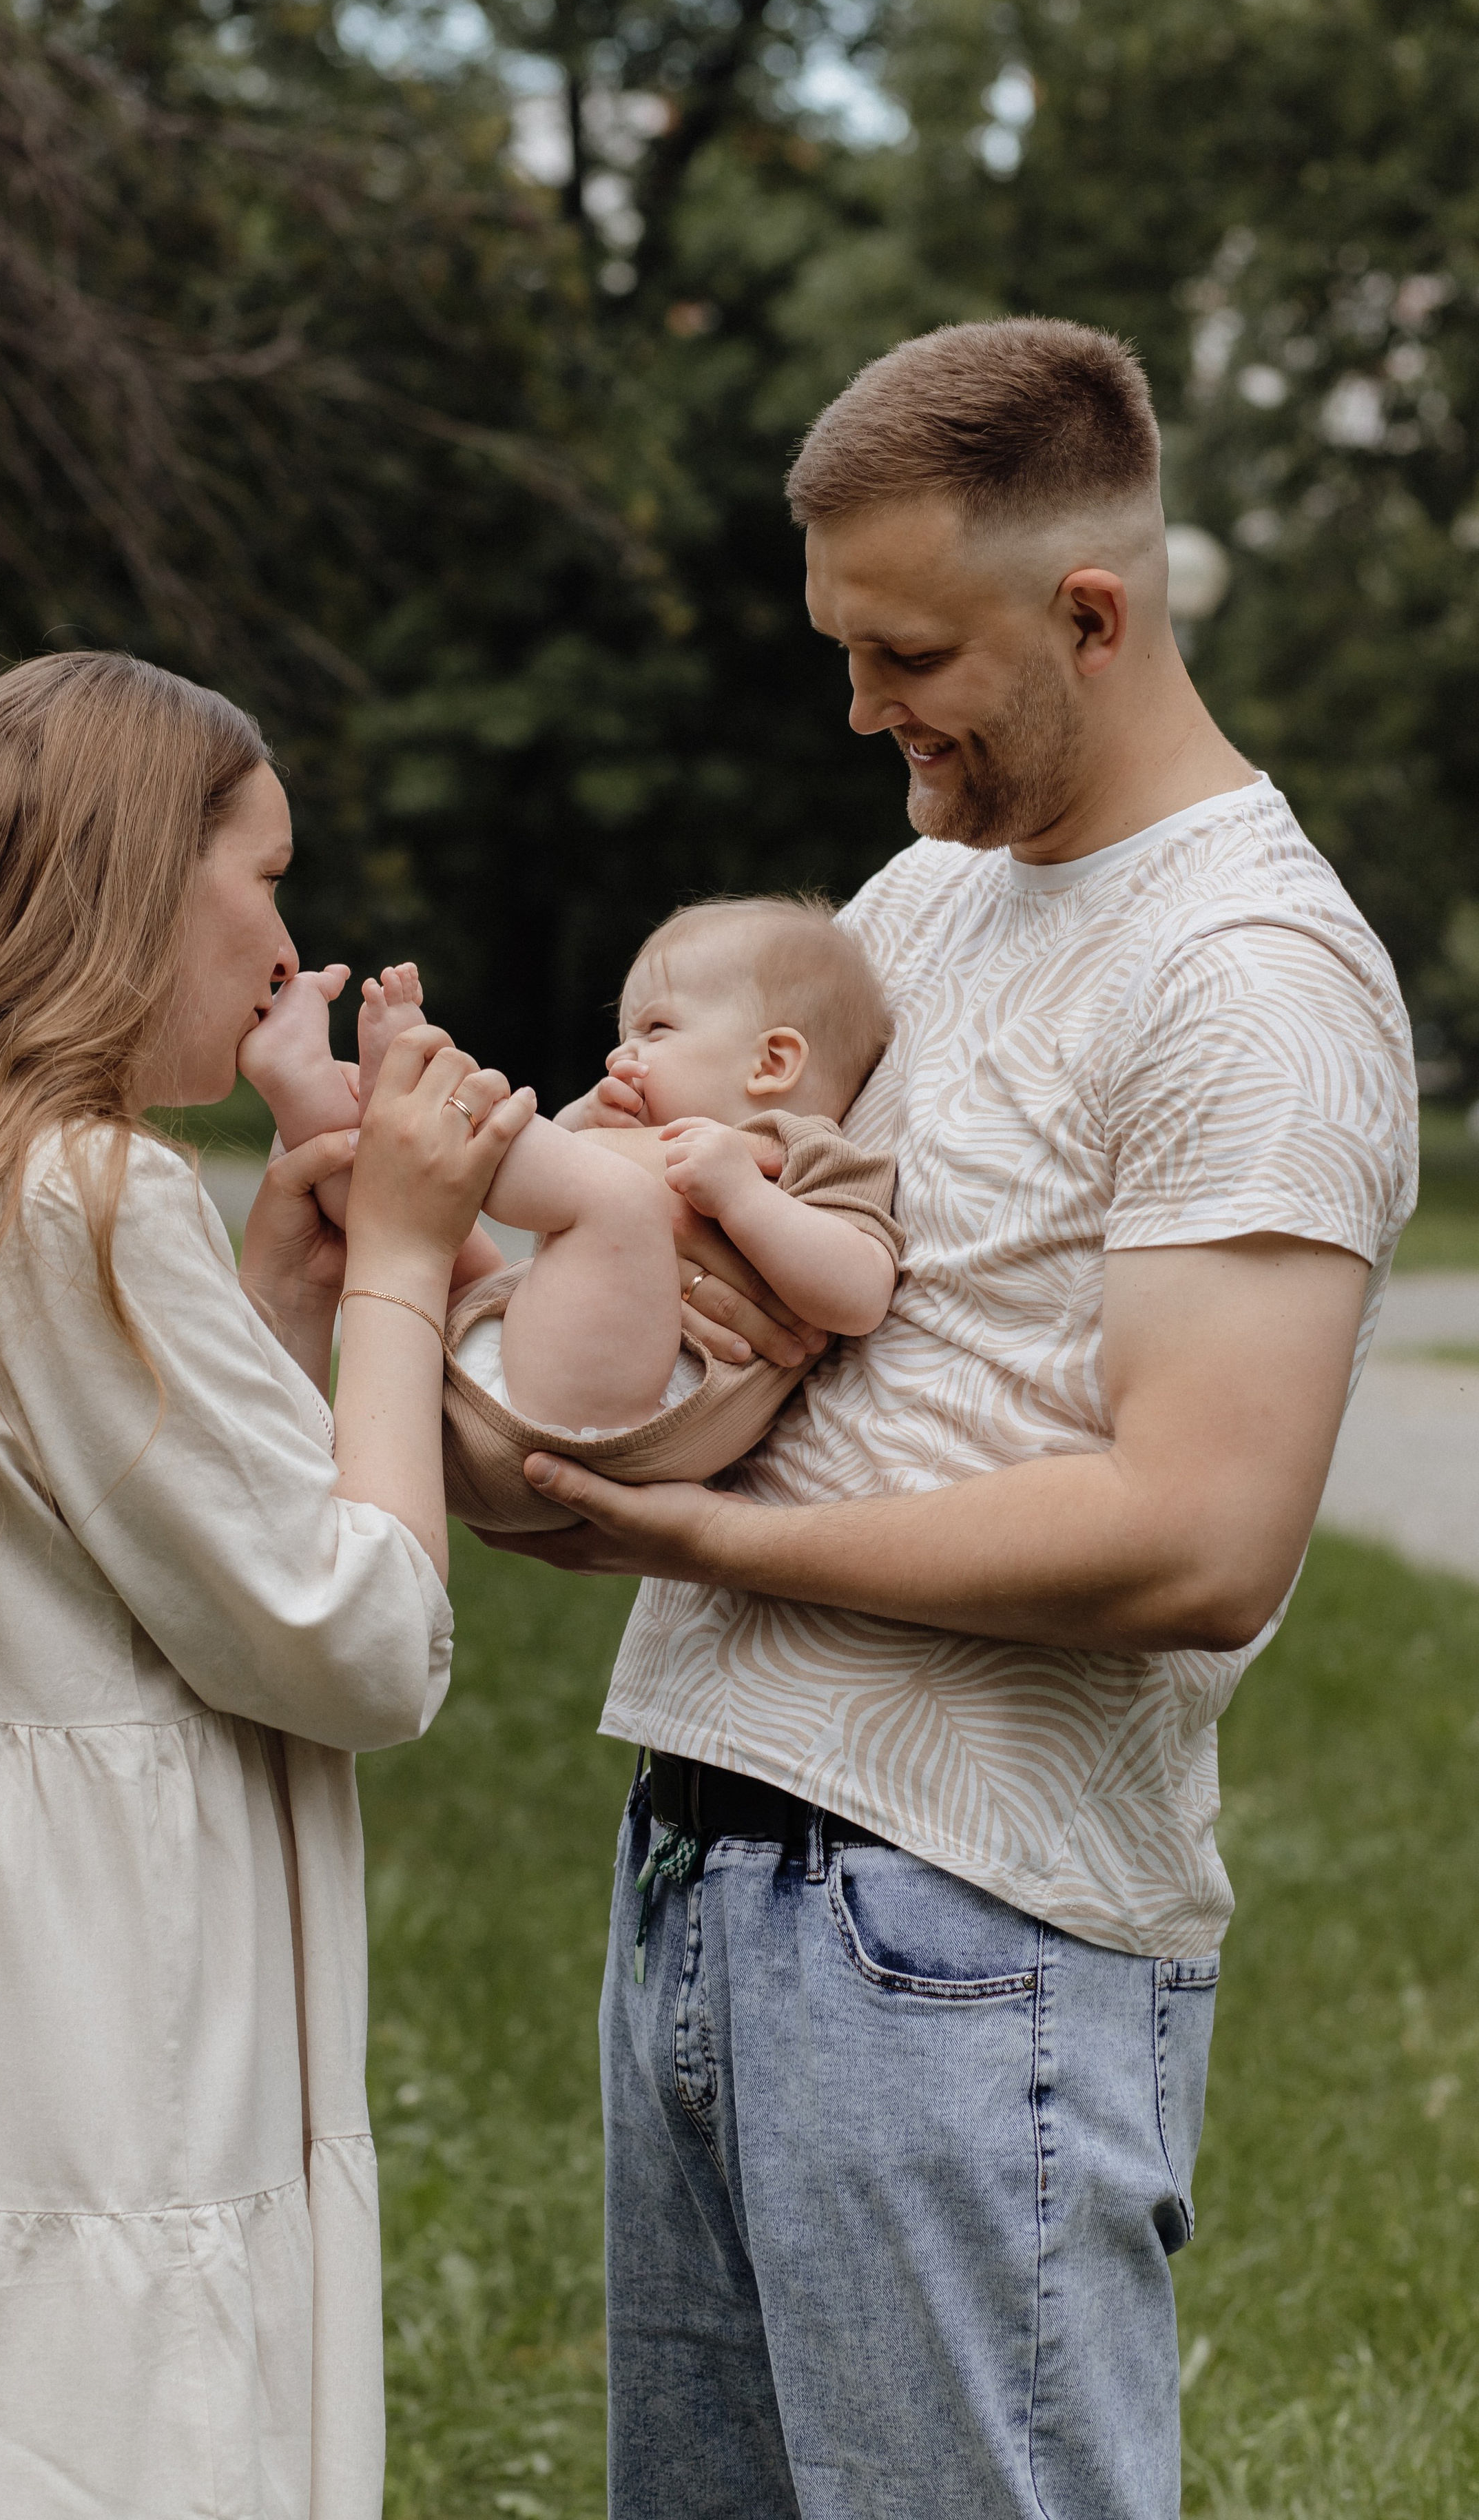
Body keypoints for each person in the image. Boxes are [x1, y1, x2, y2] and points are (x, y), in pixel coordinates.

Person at [486, 319, 1419, 2520]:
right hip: (710, 1868)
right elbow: (766, 1313)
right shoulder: (915, 900)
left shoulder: (1251, 975)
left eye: (904, 652)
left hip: (959, 1936)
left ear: (1088, 612)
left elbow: (1199, 1535)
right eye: (841, 648)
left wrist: (712, 1552)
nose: (860, 710)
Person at [0, 650, 531, 2517]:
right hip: (87, 2068)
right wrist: (402, 1273)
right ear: (131, 888)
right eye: (264, 871)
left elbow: (82, 1545)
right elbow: (357, 1639)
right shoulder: (91, 1197)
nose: (286, 934)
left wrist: (268, 1316)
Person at [248, 898, 897, 1533]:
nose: (621, 1058)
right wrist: (580, 1125)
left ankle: (420, 1102)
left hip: (591, 1426)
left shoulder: (810, 1153)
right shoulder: (635, 1135)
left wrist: (744, 1195)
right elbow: (555, 1216)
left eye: (656, 1032)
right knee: (425, 1235)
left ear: (772, 1063)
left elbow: (864, 1292)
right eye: (623, 1039)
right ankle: (302, 1085)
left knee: (613, 1195)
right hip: (488, 1367)